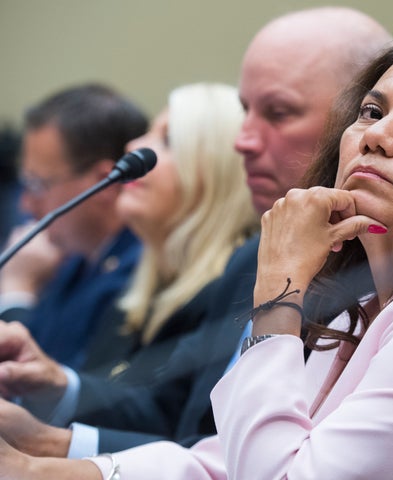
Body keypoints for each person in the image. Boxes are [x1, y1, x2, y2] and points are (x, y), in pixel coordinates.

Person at [0, 17, 393, 479]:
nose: (374, 135)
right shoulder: (360, 302)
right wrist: (36, 467)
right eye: (371, 111)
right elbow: (227, 461)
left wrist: (278, 290)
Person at [0, 6, 393, 462]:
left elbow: (261, 462)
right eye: (245, 111)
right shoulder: (250, 259)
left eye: (279, 112)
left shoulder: (383, 274)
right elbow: (178, 413)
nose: (242, 141)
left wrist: (50, 449)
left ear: (358, 123)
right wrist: (55, 400)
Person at [0, 82, 257, 449]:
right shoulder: (142, 283)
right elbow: (134, 405)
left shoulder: (228, 292)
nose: (134, 147)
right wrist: (54, 384)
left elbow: (176, 431)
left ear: (214, 172)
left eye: (167, 140)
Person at [0, 84, 148, 369]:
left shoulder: (136, 276)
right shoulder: (72, 259)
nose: (26, 205)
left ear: (105, 182)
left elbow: (48, 390)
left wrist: (17, 291)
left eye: (38, 184)